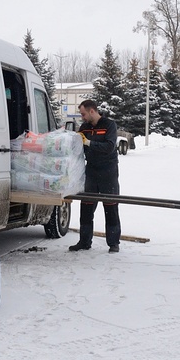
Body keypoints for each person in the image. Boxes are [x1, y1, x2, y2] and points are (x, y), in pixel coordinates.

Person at [69, 100, 122, 253]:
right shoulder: (84, 128)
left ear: (92, 111)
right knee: (86, 207)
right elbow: (79, 150)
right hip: (90, 171)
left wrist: (89, 143)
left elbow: (110, 147)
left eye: (83, 114)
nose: (82, 117)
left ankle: (113, 243)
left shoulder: (109, 125)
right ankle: (84, 241)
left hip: (108, 171)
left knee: (110, 207)